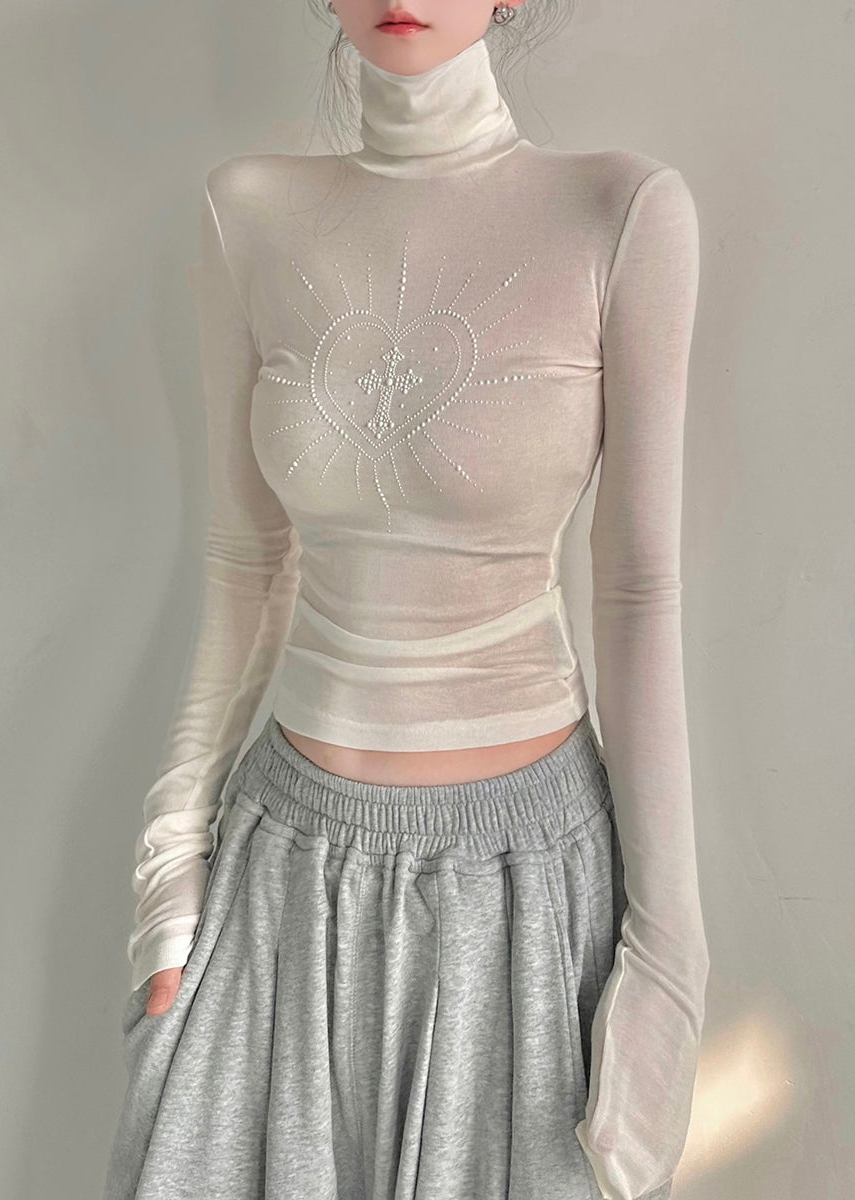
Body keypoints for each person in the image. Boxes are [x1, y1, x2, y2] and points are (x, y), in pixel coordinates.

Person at [103, 3, 710, 1198]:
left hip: (522, 897)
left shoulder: (622, 213)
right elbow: (245, 560)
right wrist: (170, 866)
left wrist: (670, 958)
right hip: (279, 881)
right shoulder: (247, 213)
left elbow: (639, 590)